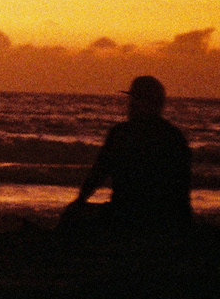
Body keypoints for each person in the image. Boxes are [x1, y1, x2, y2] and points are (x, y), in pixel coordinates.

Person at [62, 75, 193, 230]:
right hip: (166, 217)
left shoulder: (121, 134)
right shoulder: (174, 136)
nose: (130, 105)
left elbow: (98, 173)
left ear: (142, 102)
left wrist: (80, 201)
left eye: (134, 99)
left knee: (72, 217)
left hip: (125, 213)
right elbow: (182, 186)